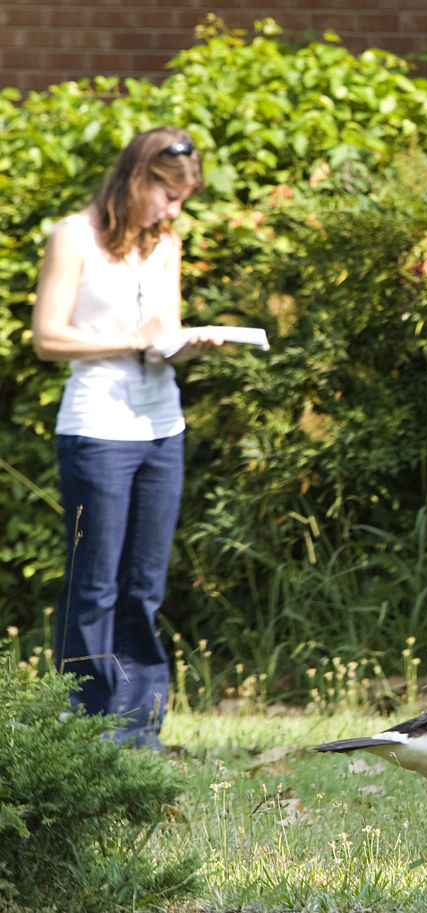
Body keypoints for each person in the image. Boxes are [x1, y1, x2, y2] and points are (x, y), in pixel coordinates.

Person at [32, 126, 224, 749]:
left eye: (182, 199)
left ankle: (137, 739)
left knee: (144, 588)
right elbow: (49, 337)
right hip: (97, 431)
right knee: (94, 587)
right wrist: (134, 341)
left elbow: (158, 338)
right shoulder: (74, 236)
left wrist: (187, 346)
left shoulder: (162, 242)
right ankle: (88, 733)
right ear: (136, 178)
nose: (174, 211)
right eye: (167, 195)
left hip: (161, 428)